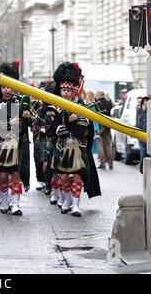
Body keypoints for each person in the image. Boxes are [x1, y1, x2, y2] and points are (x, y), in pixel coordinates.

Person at [48, 62, 101, 217]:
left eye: (68, 90)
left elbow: (87, 124)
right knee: (63, 178)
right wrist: (68, 124)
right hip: (62, 146)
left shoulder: (81, 105)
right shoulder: (56, 106)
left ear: (73, 90)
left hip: (79, 146)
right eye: (63, 90)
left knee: (77, 176)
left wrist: (77, 118)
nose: (65, 93)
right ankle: (67, 199)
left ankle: (75, 205)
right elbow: (55, 129)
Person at [0, 61, 33, 215]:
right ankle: (4, 200)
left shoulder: (20, 101)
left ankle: (15, 205)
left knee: (16, 175)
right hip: (3, 144)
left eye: (9, 86)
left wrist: (29, 117)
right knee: (2, 176)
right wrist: (9, 123)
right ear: (0, 88)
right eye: (4, 87)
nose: (7, 89)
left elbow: (31, 125)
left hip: (18, 144)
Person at [94, 91, 113, 170]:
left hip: (99, 126)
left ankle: (103, 163)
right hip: (107, 126)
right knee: (108, 145)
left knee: (100, 145)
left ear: (98, 95)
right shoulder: (109, 103)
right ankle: (110, 163)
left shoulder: (97, 104)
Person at [136, 96, 149, 174]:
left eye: (146, 101)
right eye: (143, 101)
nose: (145, 102)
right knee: (142, 149)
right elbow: (138, 121)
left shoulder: (148, 110)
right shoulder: (140, 109)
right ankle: (142, 165)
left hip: (145, 132)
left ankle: (142, 166)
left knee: (143, 150)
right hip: (141, 131)